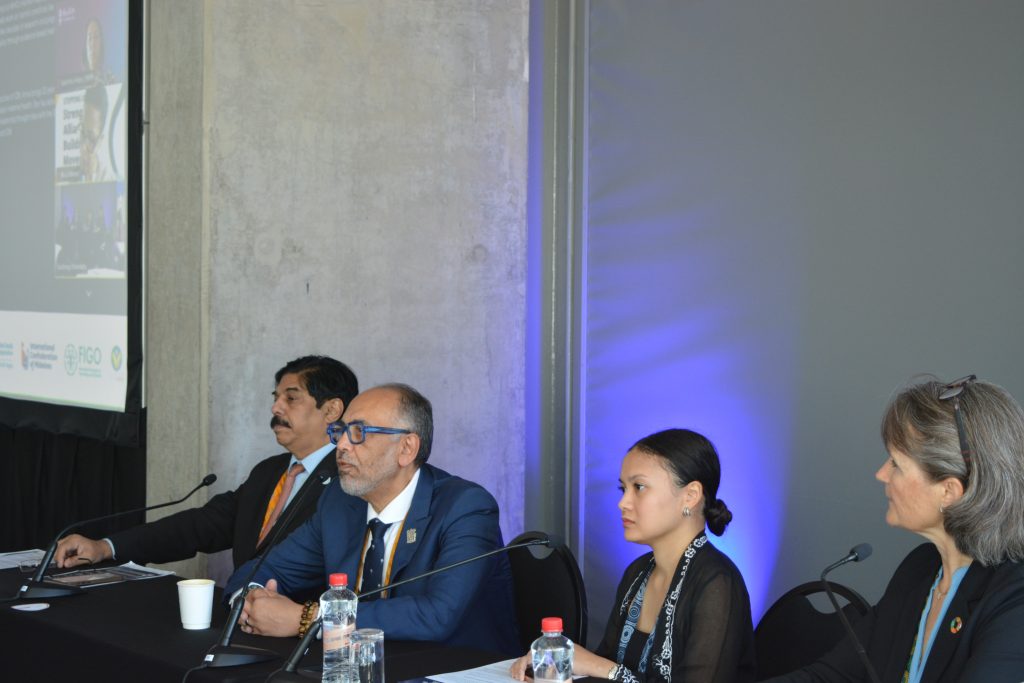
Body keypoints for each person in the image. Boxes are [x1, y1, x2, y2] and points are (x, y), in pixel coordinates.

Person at [761, 375, 1024, 682]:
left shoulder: (1014, 600)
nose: (881, 474)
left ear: (949, 492)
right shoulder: (918, 570)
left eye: (896, 464)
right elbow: (832, 676)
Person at [226, 383, 518, 655]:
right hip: (360, 663)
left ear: (406, 448)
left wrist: (309, 618)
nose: (340, 445)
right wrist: (253, 602)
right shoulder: (339, 504)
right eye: (339, 431)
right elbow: (264, 569)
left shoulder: (465, 507)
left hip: (452, 667)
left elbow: (436, 614)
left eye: (358, 433)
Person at [55, 355, 357, 573]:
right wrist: (106, 547)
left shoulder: (351, 479)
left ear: (331, 410)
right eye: (276, 397)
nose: (275, 408)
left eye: (291, 399)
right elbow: (200, 526)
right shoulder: (270, 471)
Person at [513, 428, 756, 682]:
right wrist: (556, 667)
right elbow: (606, 669)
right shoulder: (638, 572)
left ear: (690, 496)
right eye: (623, 489)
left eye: (639, 487)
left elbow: (607, 669)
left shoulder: (717, 583)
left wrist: (600, 666)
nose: (623, 502)